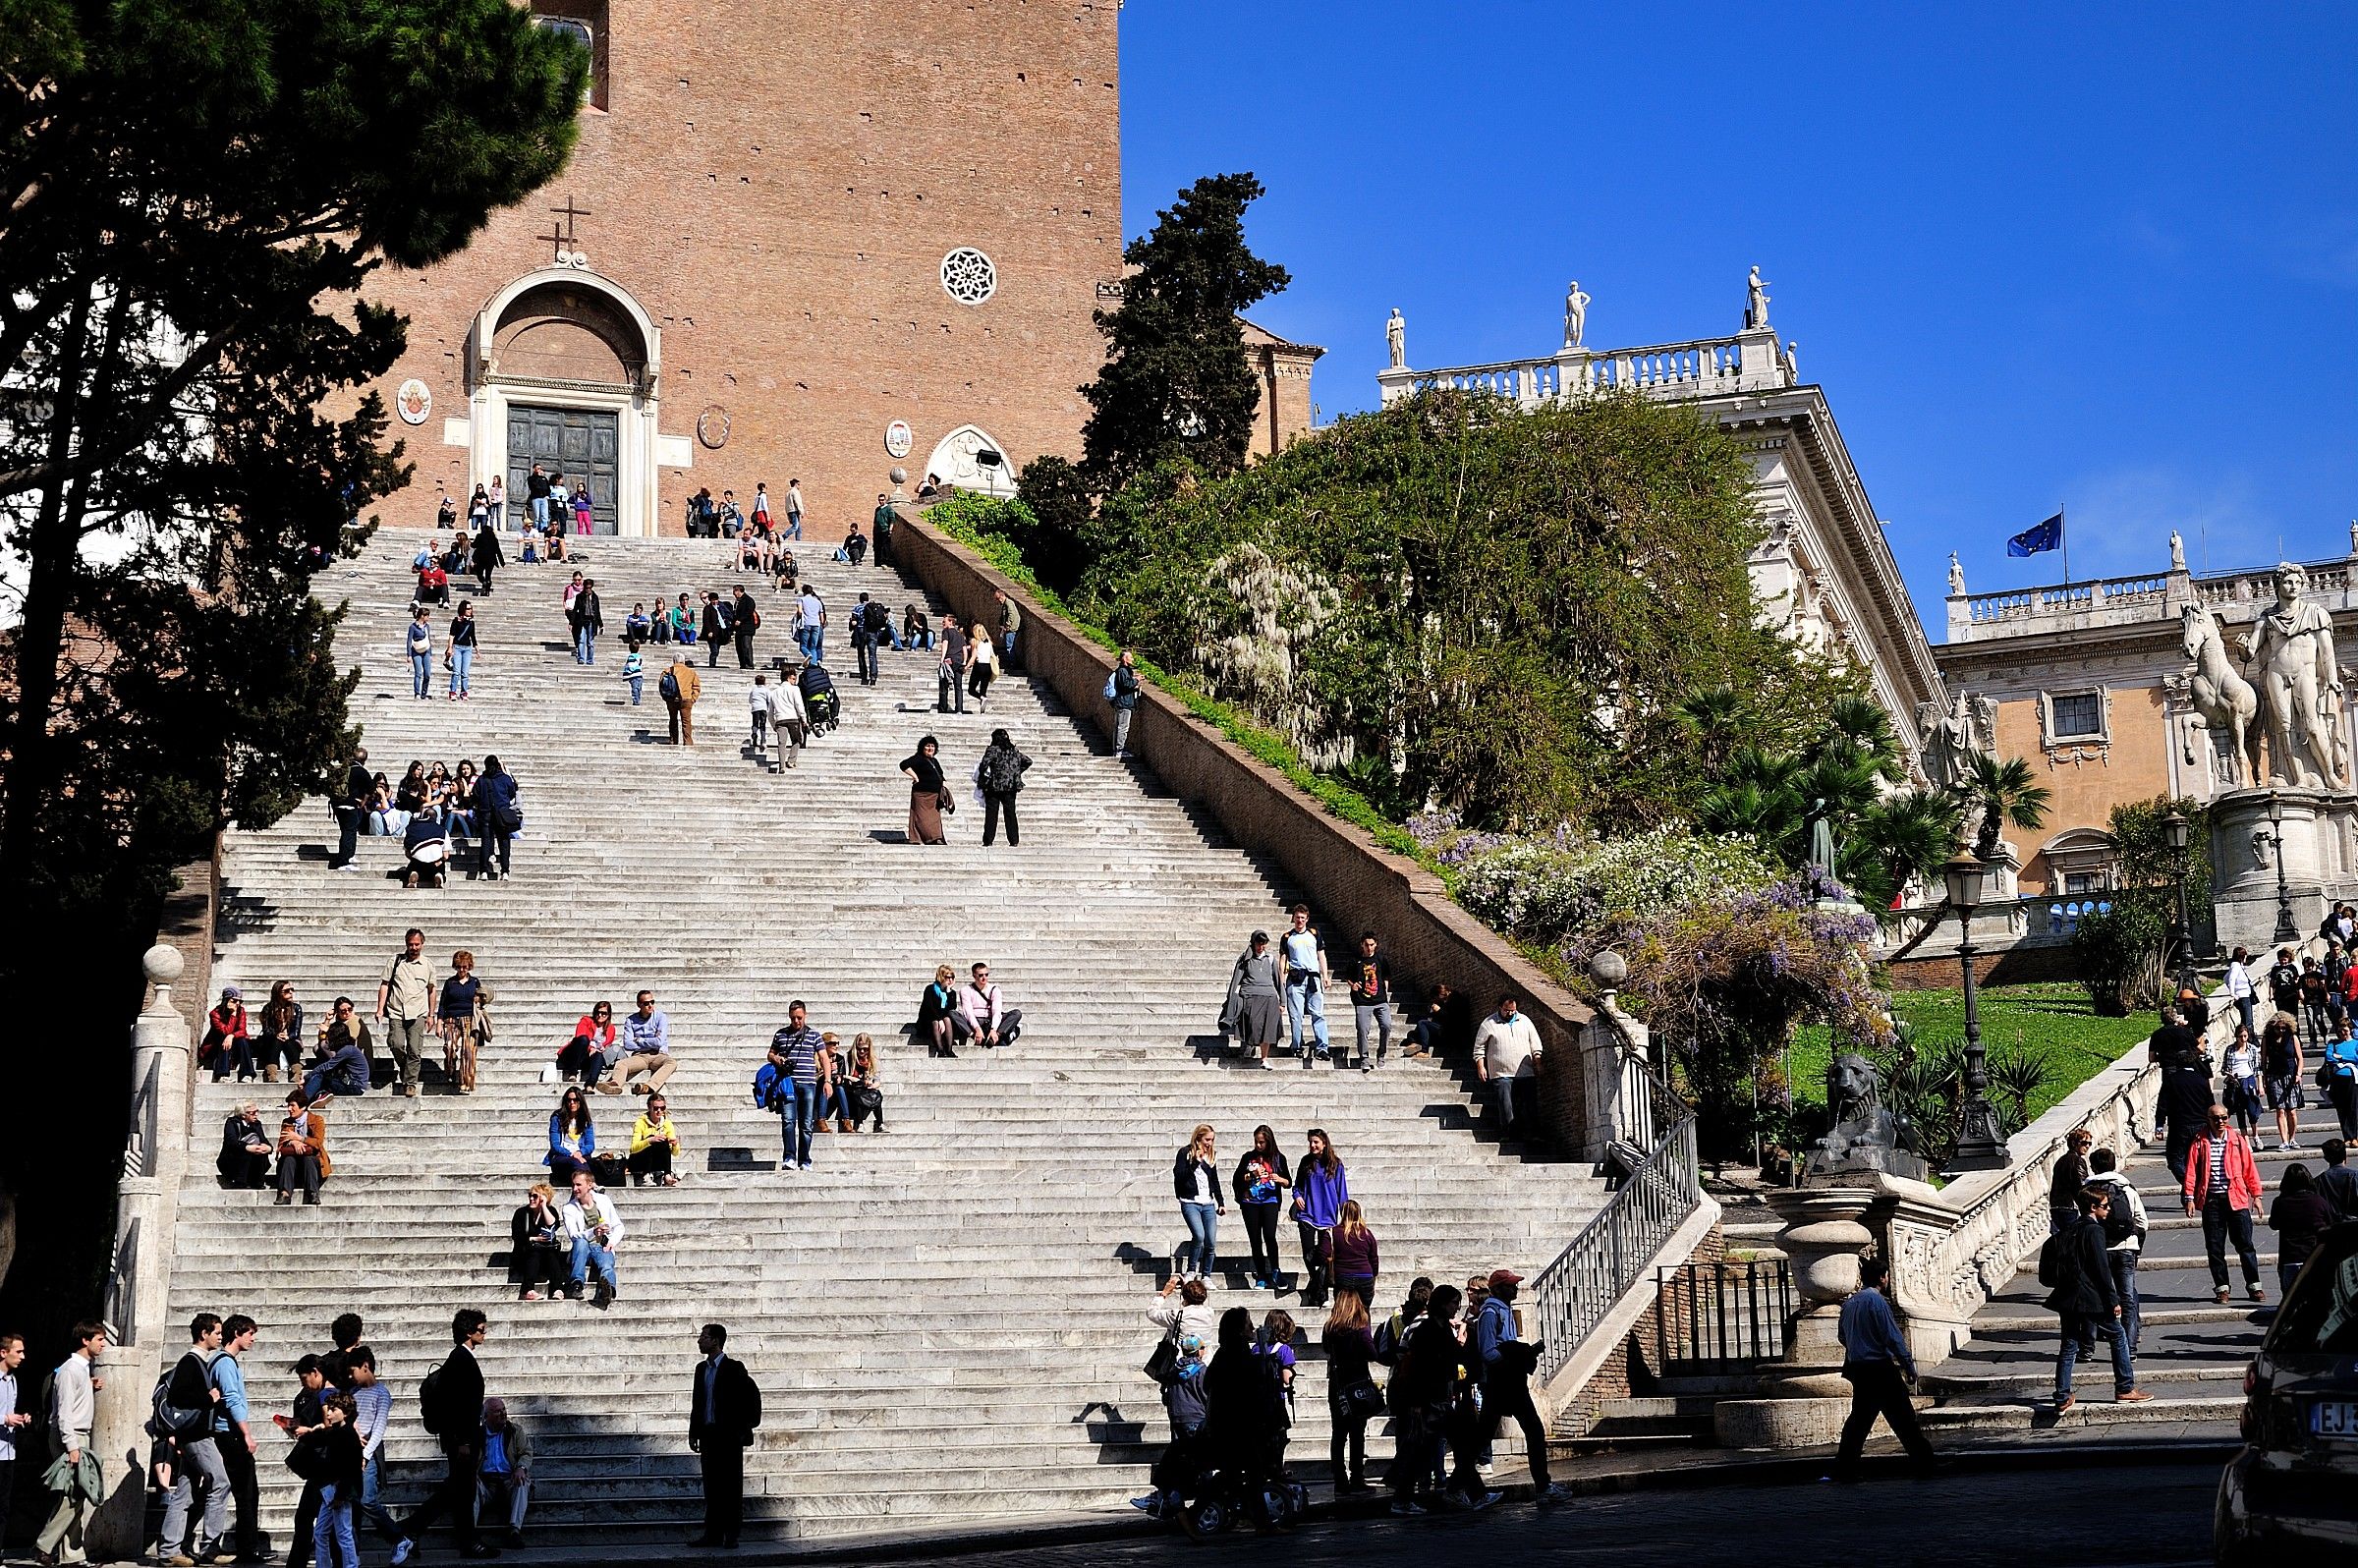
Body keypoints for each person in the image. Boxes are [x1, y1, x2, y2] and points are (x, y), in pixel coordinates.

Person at [389, 1310, 492, 1564]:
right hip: (461, 1440)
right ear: (469, 1333)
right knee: (458, 1489)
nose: (485, 1333)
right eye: (481, 1329)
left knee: (461, 1491)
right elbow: (459, 1406)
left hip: (460, 1438)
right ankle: (412, 1527)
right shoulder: (460, 1359)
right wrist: (464, 1441)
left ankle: (461, 1539)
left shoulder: (460, 1358)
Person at [2043, 1185, 2151, 1411]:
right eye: (2104, 1206)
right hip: (2091, 1296)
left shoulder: (2069, 1230)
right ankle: (2125, 1387)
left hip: (2068, 1295)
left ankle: (2062, 1395)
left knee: (2069, 1344)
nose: (2109, 1209)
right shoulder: (2095, 1231)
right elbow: (2101, 1269)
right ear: (2093, 1207)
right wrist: (2113, 1300)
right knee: (2118, 1335)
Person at [1829, 1254, 1936, 1479]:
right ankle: (1924, 1463)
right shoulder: (1877, 1302)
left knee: (1858, 1421)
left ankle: (1844, 1466)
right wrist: (1908, 1365)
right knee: (1904, 1418)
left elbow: (1842, 1337)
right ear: (1882, 1278)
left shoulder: (1849, 1303)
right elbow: (1892, 1336)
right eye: (1886, 1275)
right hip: (1880, 1368)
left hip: (1858, 1368)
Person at [1471, 1268, 1564, 1501]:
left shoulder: (1505, 1311)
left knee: (1531, 1430)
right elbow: (1488, 1351)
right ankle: (1457, 1486)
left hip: (1511, 1381)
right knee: (1486, 1436)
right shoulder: (1491, 1313)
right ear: (1498, 1289)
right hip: (1500, 1381)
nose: (1515, 1289)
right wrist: (1514, 1357)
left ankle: (1543, 1485)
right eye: (1510, 1285)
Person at [1198, 1307, 1289, 1532]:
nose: (1252, 1327)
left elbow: (1210, 1382)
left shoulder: (1227, 1352)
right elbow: (1250, 1387)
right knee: (1251, 1473)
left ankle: (1256, 1519)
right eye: (1248, 1323)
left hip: (1233, 1426)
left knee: (1237, 1475)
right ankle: (1260, 1521)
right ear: (1239, 1330)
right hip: (1239, 1427)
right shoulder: (1236, 1353)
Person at [156, 1316, 232, 1564]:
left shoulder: (197, 1361)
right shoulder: (191, 1362)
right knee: (220, 1482)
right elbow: (179, 1396)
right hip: (196, 1436)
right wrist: (208, 1398)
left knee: (185, 1493)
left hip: (192, 1436)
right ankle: (210, 1547)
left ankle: (170, 1550)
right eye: (217, 1333)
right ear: (203, 1333)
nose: (221, 1337)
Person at [2182, 1103, 2267, 1304]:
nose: (2221, 1122)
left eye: (2224, 1118)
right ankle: (2222, 1288)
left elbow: (2249, 1169)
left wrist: (2257, 1195)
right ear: (2208, 1120)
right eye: (2216, 1118)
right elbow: (2191, 1172)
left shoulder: (2237, 1141)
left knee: (2245, 1245)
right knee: (2214, 1247)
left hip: (2236, 1199)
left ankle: (2254, 1286)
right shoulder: (2199, 1142)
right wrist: (2189, 1198)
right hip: (2212, 1201)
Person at [34, 1321, 104, 1564]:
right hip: (70, 1435)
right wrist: (71, 1445)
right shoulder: (69, 1370)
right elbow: (63, 1412)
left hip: (78, 1435)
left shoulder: (81, 1370)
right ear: (85, 1340)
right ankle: (44, 1545)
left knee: (78, 1495)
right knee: (72, 1496)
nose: (102, 1344)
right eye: (99, 1339)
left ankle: (72, 1554)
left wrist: (89, 1385)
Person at [689, 1324, 760, 1550]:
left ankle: (731, 1534)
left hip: (728, 1437)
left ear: (716, 1341)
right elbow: (697, 1403)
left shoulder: (733, 1368)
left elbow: (752, 1398)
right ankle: (712, 1533)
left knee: (730, 1487)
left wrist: (743, 1429)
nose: (700, 1340)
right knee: (712, 1487)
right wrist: (694, 1432)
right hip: (708, 1435)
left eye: (704, 1337)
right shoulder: (701, 1369)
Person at [2086, 1148, 2149, 1350]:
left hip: (2098, 1250)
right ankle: (2130, 1347)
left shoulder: (2087, 1193)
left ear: (2093, 1167)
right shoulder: (2126, 1189)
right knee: (2127, 1297)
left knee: (2101, 1294)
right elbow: (2143, 1222)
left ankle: (2101, 1338)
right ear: (2114, 1165)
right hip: (2125, 1248)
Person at [1319, 1291, 1379, 1493]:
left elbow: (1326, 1349)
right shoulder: (1360, 1328)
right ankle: (1357, 1477)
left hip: (1337, 1386)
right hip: (1357, 1384)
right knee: (1357, 1433)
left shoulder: (1330, 1328)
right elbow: (1372, 1353)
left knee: (1338, 1434)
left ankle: (1339, 1479)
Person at [375, 926, 434, 1099]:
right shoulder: (395, 961)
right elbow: (385, 984)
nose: (414, 948)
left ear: (422, 944)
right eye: (411, 944)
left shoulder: (428, 965)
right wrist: (380, 1009)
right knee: (395, 1044)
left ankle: (410, 1083)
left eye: (417, 944)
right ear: (406, 944)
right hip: (396, 1012)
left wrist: (431, 1014)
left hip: (418, 1013)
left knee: (415, 1050)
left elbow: (432, 990)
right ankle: (406, 1067)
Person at [1231, 1125, 1292, 1290]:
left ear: (1269, 1141)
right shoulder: (1248, 1157)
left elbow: (1288, 1183)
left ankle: (1276, 1270)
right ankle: (1261, 1275)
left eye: (1262, 1142)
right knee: (1255, 1239)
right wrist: (1252, 1175)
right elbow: (1236, 1180)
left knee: (1270, 1236)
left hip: (1270, 1201)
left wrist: (1279, 1179)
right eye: (1256, 1142)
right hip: (1250, 1203)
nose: (1258, 1146)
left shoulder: (1279, 1158)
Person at [1293, 1129, 1348, 1309]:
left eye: (1316, 1142)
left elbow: (1342, 1193)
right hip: (1307, 1214)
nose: (1312, 1145)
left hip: (1328, 1217)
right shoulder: (1305, 1162)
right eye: (1310, 1142)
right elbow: (1297, 1186)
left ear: (1324, 1143)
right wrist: (1297, 1196)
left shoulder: (1336, 1165)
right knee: (1308, 1255)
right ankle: (1318, 1288)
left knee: (1325, 1257)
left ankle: (1318, 1291)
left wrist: (1345, 1216)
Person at [345, 1348, 395, 1542]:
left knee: (367, 1500)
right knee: (354, 1503)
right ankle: (352, 1552)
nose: (351, 1376)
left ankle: (398, 1538)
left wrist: (365, 1455)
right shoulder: (353, 1392)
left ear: (365, 1366)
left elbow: (379, 1427)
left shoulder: (381, 1393)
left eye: (353, 1370)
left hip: (369, 1453)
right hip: (352, 1450)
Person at [1474, 994, 1542, 1136]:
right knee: (1506, 1105)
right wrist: (1481, 1066)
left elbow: (1534, 1042)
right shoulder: (1489, 1023)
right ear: (1500, 1007)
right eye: (1506, 1010)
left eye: (1513, 1011)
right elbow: (1479, 1047)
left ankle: (1532, 1134)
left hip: (1525, 1071)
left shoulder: (1525, 1021)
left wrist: (1537, 1060)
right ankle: (1508, 1134)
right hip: (1501, 1073)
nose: (1510, 1013)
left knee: (1529, 1104)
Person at [769, 1004, 823, 1171]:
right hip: (787, 1084)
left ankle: (805, 1159)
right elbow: (770, 1053)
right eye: (793, 1017)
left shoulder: (814, 1035)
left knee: (806, 1124)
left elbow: (824, 1057)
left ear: (805, 1015)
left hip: (808, 1083)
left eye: (799, 1017)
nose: (796, 1021)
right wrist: (777, 1059)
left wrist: (827, 1081)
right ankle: (789, 1157)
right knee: (788, 1122)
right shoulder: (780, 1034)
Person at [2270, 1164, 2337, 1294]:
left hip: (2289, 1257)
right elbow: (2331, 1224)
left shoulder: (2280, 1202)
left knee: (2290, 1299)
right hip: (2313, 1257)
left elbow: (2274, 1224)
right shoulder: (2319, 1201)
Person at [1220, 931, 1286, 1067]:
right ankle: (1248, 1046)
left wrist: (1283, 1001)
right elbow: (1236, 979)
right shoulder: (1245, 958)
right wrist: (1229, 998)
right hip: (1250, 995)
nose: (1261, 947)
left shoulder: (1270, 959)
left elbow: (1278, 981)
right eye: (1258, 943)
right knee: (1252, 1024)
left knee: (1267, 1029)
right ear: (1253, 942)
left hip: (1269, 996)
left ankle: (1264, 1059)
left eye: (1264, 944)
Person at [558, 1169, 624, 1304]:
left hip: (601, 1245)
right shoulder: (568, 1208)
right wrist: (593, 1232)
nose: (575, 1189)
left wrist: (611, 1242)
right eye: (573, 1185)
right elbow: (574, 1235)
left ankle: (607, 1289)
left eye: (578, 1185)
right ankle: (576, 1283)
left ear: (589, 1185)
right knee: (581, 1242)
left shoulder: (604, 1200)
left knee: (606, 1265)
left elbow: (619, 1226)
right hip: (582, 1249)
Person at [1275, 905, 1330, 1064]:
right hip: (1295, 978)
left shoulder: (1314, 934)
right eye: (1297, 917)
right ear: (1293, 918)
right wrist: (1282, 979)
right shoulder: (1287, 937)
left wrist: (1325, 975)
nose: (1300, 920)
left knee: (1317, 1013)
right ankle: (1297, 1045)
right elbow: (1283, 960)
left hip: (1313, 978)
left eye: (1302, 918)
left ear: (1307, 919)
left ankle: (1322, 1047)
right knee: (1296, 1015)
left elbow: (1322, 956)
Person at [474, 1399, 531, 1547]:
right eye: (497, 1411)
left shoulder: (514, 1431)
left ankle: (514, 1531)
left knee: (523, 1481)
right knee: (470, 1484)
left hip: (508, 1479)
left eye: (504, 1409)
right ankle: (470, 1533)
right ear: (486, 1416)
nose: (503, 1413)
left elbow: (526, 1452)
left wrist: (521, 1468)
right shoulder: (477, 1434)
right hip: (486, 1482)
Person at [1173, 1125, 1223, 1282]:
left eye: (1212, 1139)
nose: (1209, 1143)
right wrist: (1195, 1162)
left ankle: (1206, 1275)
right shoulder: (1185, 1153)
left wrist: (1220, 1201)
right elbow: (1179, 1176)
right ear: (1198, 1138)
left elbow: (1214, 1179)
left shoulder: (1212, 1155)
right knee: (1199, 1235)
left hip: (1208, 1202)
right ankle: (1191, 1270)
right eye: (1207, 1139)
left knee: (1211, 1240)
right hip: (1190, 1202)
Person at [602, 989, 675, 1096]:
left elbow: (659, 1042)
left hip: (658, 1054)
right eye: (646, 1003)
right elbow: (627, 1044)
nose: (650, 1005)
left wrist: (640, 1040)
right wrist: (651, 1042)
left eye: (652, 1002)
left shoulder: (660, 1017)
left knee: (671, 1063)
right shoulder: (631, 1020)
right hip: (640, 1056)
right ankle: (615, 1085)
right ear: (639, 1004)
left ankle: (648, 1087)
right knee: (621, 1063)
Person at [438, 949, 488, 1095]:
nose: (461, 970)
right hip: (451, 1020)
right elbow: (442, 1004)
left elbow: (484, 1000)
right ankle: (450, 1069)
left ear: (469, 967)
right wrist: (439, 1022)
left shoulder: (474, 982)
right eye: (459, 966)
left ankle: (465, 1083)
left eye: (465, 967)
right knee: (449, 1047)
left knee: (468, 1052)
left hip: (469, 1020)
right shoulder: (450, 983)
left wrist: (480, 999)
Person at [305, 999, 371, 1103]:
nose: (347, 1012)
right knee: (320, 1067)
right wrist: (327, 1020)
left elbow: (327, 1065)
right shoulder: (339, 1027)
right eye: (343, 1010)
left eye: (350, 1009)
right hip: (349, 1079)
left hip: (354, 1086)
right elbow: (322, 1040)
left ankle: (304, 1101)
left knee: (321, 1075)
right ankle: (318, 1095)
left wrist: (306, 1077)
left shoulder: (348, 1046)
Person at [510, 1184, 567, 1302]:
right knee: (534, 1251)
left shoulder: (550, 1211)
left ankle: (557, 1289)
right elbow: (517, 1236)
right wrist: (534, 1239)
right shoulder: (521, 1213)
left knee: (551, 1254)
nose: (531, 1199)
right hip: (525, 1255)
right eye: (530, 1195)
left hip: (546, 1257)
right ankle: (528, 1290)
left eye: (535, 1196)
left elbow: (553, 1225)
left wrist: (544, 1206)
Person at [1346, 932, 1394, 1073]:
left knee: (1386, 1025)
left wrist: (1385, 989)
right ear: (1362, 944)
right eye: (1366, 945)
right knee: (1362, 1029)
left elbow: (1386, 975)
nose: (1369, 948)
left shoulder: (1380, 959)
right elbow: (1348, 977)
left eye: (1372, 945)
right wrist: (1352, 985)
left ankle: (1381, 1054)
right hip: (1362, 1001)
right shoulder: (1355, 960)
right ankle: (1364, 1058)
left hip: (1380, 1000)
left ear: (1376, 944)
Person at [977, 728, 1030, 847]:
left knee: (991, 814)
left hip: (994, 786)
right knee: (1010, 814)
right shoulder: (1014, 751)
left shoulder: (993, 750)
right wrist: (1015, 772)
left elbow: (984, 764)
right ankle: (1014, 840)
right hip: (1011, 786)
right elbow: (1028, 761)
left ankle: (988, 840)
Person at [276, 1089, 331, 1205]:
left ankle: (312, 1193)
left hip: (311, 1162)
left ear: (302, 1107)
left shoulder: (317, 1120)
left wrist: (300, 1138)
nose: (289, 1109)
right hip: (293, 1164)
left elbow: (318, 1143)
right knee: (288, 1159)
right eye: (288, 1106)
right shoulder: (287, 1122)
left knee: (309, 1158)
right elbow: (282, 1142)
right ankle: (285, 1194)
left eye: (292, 1106)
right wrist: (293, 1142)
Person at [2262, 1009, 2306, 1151]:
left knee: (2292, 1110)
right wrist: (2264, 1078)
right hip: (2274, 1075)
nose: (2280, 1030)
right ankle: (2284, 1140)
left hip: (2291, 1076)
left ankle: (2292, 1138)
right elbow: (2263, 1060)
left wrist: (2298, 1074)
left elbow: (2299, 1058)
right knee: (2280, 1110)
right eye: (2278, 1028)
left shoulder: (2292, 1037)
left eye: (2283, 1027)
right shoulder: (2267, 1039)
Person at [953, 961, 1022, 1050]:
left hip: (990, 1021)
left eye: (986, 974)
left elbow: (996, 1011)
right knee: (952, 1013)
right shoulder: (966, 990)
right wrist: (977, 1029)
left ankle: (995, 1037)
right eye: (980, 975)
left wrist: (994, 1029)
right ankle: (977, 1037)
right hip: (975, 1021)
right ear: (974, 976)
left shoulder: (994, 989)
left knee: (1016, 1013)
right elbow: (968, 1013)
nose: (984, 978)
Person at [1321, 1200, 1380, 1303]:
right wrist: (1373, 1275)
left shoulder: (1333, 1231)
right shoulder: (1367, 1233)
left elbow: (1323, 1253)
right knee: (1364, 1312)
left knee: (1343, 1313)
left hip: (1343, 1276)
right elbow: (1374, 1258)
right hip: (1365, 1276)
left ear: (1343, 1213)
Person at [327, 748, 372, 870]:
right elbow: (371, 788)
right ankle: (343, 862)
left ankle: (349, 855)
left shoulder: (343, 770)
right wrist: (363, 801)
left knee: (346, 830)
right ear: (364, 760)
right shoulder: (360, 771)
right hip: (349, 805)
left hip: (337, 804)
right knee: (349, 832)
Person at [902, 735, 948, 845]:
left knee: (934, 819)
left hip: (935, 796)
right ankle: (920, 837)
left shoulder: (934, 761)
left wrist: (944, 786)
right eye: (927, 746)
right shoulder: (918, 758)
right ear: (922, 747)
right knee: (921, 818)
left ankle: (936, 837)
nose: (930, 748)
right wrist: (915, 777)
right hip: (921, 794)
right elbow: (903, 765)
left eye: (932, 746)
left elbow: (941, 775)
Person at [2048, 1126, 2095, 1235]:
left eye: (2089, 1144)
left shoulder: (2060, 1161)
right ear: (2074, 1143)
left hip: (2056, 1206)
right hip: (2071, 1207)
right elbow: (2082, 1186)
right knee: (2073, 1239)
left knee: (2062, 1239)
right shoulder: (2077, 1161)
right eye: (2084, 1143)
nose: (2087, 1146)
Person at [629, 1094, 684, 1187]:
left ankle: (667, 1175)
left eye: (662, 1108)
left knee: (663, 1141)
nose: (659, 1111)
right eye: (656, 1108)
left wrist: (674, 1144)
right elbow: (633, 1148)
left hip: (657, 1161)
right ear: (649, 1107)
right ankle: (646, 1175)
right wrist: (649, 1140)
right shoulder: (640, 1122)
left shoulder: (667, 1123)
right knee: (652, 1138)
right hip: (640, 1160)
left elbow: (675, 1153)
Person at [547, 1087, 597, 1183]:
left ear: (580, 1101)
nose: (572, 1103)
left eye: (575, 1100)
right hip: (561, 1155)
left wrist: (580, 1153)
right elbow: (555, 1145)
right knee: (576, 1161)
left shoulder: (586, 1120)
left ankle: (587, 1186)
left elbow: (590, 1144)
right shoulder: (557, 1118)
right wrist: (571, 1154)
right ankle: (592, 1186)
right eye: (569, 1100)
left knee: (587, 1162)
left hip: (580, 1155)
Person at [218, 1102, 273, 1188]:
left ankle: (257, 1182)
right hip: (232, 1160)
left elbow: (263, 1140)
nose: (256, 1115)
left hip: (252, 1160)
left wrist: (269, 1148)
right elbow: (231, 1142)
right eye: (253, 1113)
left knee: (260, 1151)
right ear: (243, 1115)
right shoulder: (232, 1123)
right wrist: (247, 1147)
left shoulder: (256, 1124)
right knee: (244, 1151)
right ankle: (239, 1182)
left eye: (257, 1111)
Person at [2320, 1016, 2358, 1140]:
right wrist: (2347, 1057)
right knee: (2341, 1108)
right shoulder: (2333, 1043)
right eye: (2340, 1030)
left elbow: (2356, 1058)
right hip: (2337, 1079)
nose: (2342, 1033)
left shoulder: (2356, 1043)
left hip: (2352, 1079)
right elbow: (2329, 1057)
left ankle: (2355, 1137)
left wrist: (2341, 1057)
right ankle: (2347, 1137)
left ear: (2350, 1030)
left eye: (2345, 1030)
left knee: (2353, 1108)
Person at [203, 984, 253, 1082]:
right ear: (226, 1000)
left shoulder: (241, 1011)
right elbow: (224, 1031)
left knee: (242, 1040)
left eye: (240, 1001)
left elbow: (242, 1030)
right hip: (215, 1047)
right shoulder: (215, 1014)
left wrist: (232, 1035)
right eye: (234, 1001)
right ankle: (222, 1075)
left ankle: (247, 1074)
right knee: (224, 1037)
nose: (237, 1003)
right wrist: (233, 1015)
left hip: (235, 1044)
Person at [2221, 1023, 2262, 1138]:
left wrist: (2260, 1084)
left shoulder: (2252, 1049)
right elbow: (2224, 1068)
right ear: (2236, 1037)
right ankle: (2245, 1137)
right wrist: (2229, 1074)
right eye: (2241, 1036)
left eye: (2245, 1036)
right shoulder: (2230, 1050)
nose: (2243, 1039)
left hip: (2249, 1080)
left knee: (2252, 1110)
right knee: (2239, 1110)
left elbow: (2258, 1069)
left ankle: (2255, 1135)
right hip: (2235, 1082)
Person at [844, 1035, 885, 1133]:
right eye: (859, 1048)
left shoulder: (872, 1059)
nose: (862, 1051)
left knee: (876, 1096)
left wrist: (872, 1085)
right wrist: (858, 1081)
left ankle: (880, 1123)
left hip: (867, 1088)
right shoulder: (848, 1057)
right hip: (853, 1088)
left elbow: (877, 1080)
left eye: (865, 1049)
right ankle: (859, 1123)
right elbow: (845, 1076)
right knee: (859, 1096)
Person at [917, 964, 959, 1058]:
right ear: (941, 977)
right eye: (948, 977)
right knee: (935, 1021)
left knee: (947, 1019)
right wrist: (939, 1020)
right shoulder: (930, 989)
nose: (950, 980)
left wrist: (948, 992)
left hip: (942, 1021)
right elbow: (929, 1008)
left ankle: (949, 1050)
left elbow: (952, 1008)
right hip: (927, 1022)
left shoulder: (951, 993)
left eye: (952, 977)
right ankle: (940, 1050)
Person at [662, 655, 702, 747]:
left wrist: (665, 698)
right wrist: (693, 698)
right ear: (683, 661)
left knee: (673, 720)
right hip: (686, 699)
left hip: (671, 699)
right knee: (686, 722)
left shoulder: (667, 671)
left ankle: (673, 740)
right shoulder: (691, 672)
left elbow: (661, 686)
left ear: (674, 660)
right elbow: (696, 686)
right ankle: (688, 742)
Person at [1108, 647, 1141, 759]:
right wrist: (1137, 680)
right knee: (1122, 727)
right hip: (1124, 703)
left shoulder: (1123, 671)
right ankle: (1119, 751)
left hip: (1123, 702)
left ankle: (1118, 750)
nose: (1132, 659)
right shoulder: (1122, 671)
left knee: (1119, 727)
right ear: (1124, 659)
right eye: (1130, 657)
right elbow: (1125, 684)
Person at [2318, 1138, 2358, 1218]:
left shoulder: (2319, 1180)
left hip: (2332, 1224)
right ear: (2345, 1156)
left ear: (2326, 1158)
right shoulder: (2354, 1176)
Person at [447, 601, 478, 700]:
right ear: (463, 609)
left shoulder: (471, 623)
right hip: (457, 647)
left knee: (465, 672)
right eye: (468, 609)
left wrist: (476, 648)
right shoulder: (456, 621)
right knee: (456, 671)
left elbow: (473, 636)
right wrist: (450, 647)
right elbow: (452, 634)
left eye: (471, 609)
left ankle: (464, 692)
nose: (470, 611)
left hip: (467, 648)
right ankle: (453, 691)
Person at [2224, 945, 2258, 1039]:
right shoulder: (2235, 965)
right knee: (2248, 1021)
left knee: (2246, 1020)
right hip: (2242, 996)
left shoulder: (2239, 966)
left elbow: (2225, 978)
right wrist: (2233, 993)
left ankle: (2247, 1039)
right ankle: (2251, 1040)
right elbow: (2231, 979)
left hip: (2245, 995)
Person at [936, 618, 968, 714]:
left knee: (944, 684)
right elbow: (964, 649)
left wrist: (942, 659)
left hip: (949, 660)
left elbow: (945, 644)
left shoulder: (946, 632)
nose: (942, 623)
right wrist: (964, 661)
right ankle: (959, 709)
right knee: (958, 686)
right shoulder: (960, 635)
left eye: (944, 621)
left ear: (950, 622)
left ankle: (943, 707)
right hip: (959, 661)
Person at [967, 619, 996, 711]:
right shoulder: (989, 642)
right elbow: (992, 654)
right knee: (983, 690)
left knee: (971, 689)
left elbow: (973, 656)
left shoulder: (974, 641)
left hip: (979, 666)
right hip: (988, 667)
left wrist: (967, 666)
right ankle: (982, 707)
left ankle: (981, 698)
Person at [406, 607, 435, 699]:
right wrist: (409, 655)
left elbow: (428, 640)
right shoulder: (413, 627)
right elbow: (409, 641)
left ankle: (424, 693)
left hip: (426, 651)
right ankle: (417, 693)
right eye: (427, 616)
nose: (428, 618)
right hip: (416, 651)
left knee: (427, 674)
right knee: (418, 673)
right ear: (422, 616)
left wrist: (430, 653)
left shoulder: (427, 627)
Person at [993, 587, 1022, 671]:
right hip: (1010, 628)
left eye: (998, 598)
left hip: (1011, 628)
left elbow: (1011, 615)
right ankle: (1011, 663)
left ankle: (1012, 664)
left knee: (1009, 646)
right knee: (1009, 645)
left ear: (1002, 596)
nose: (998, 601)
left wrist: (1007, 626)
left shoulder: (1008, 603)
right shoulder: (1006, 604)